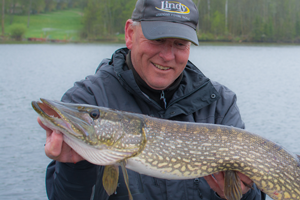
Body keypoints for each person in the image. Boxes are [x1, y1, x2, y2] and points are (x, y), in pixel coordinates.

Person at [38, 0, 266, 199]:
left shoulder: (219, 104)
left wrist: (241, 195)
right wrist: (76, 169)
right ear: (130, 34)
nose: (167, 56)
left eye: (179, 44)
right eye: (157, 39)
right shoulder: (89, 98)